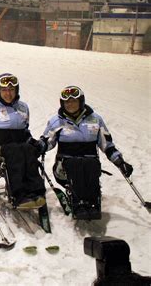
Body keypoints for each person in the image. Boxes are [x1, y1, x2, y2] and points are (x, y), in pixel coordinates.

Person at [37, 86, 133, 219]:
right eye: (67, 102)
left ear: (81, 101)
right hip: (64, 168)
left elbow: (107, 145)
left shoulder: (95, 120)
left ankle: (91, 203)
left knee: (90, 164)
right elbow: (48, 141)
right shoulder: (57, 121)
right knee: (75, 164)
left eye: (74, 101)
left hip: (89, 167)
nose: (70, 105)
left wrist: (120, 161)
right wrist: (38, 147)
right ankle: (78, 203)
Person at [0, 73, 46, 209]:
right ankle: (19, 194)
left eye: (11, 90)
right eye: (4, 90)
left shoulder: (23, 108)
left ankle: (37, 192)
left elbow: (24, 130)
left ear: (16, 90)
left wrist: (32, 142)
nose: (8, 94)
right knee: (14, 151)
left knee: (29, 150)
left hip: (19, 143)